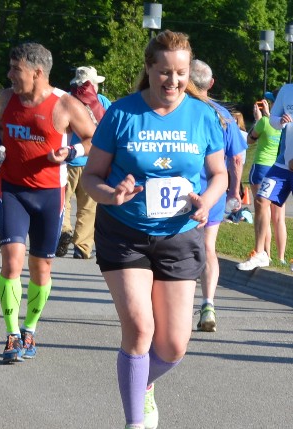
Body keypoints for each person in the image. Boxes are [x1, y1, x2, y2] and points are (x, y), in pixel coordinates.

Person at [81, 30, 227, 429]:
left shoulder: (203, 115)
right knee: (141, 327)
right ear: (149, 69)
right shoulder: (123, 113)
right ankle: (133, 422)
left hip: (179, 235)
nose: (173, 81)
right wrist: (112, 194)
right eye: (164, 72)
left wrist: (207, 202)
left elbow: (219, 175)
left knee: (174, 345)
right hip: (125, 233)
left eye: (180, 73)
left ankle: (141, 384)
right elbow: (90, 178)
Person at [0, 42, 95, 363]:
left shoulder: (65, 105)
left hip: (49, 194)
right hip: (11, 191)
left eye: (14, 69)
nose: (9, 75)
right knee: (11, 262)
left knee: (41, 267)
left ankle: (30, 328)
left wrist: (71, 153)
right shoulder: (7, 99)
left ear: (37, 72)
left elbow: (93, 137)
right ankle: (12, 334)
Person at [188, 59, 247, 333]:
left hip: (182, 193)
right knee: (208, 247)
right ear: (211, 84)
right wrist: (234, 190)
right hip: (214, 191)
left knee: (178, 249)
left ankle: (175, 304)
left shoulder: (178, 110)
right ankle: (208, 303)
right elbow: (236, 158)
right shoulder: (223, 115)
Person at [56, 66, 109, 259]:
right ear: (93, 84)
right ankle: (82, 247)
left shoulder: (66, 101)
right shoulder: (102, 102)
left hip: (66, 160)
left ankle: (63, 230)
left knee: (63, 201)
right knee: (88, 206)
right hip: (92, 161)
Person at [236, 93, 287, 270]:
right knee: (278, 217)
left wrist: (260, 118)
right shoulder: (286, 124)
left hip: (262, 168)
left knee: (262, 210)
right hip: (281, 167)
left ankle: (265, 253)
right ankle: (281, 257)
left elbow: (250, 140)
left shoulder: (265, 122)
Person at [246, 83, 293, 272]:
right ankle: (260, 254)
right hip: (283, 162)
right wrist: (280, 121)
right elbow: (273, 120)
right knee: (260, 200)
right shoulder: (286, 90)